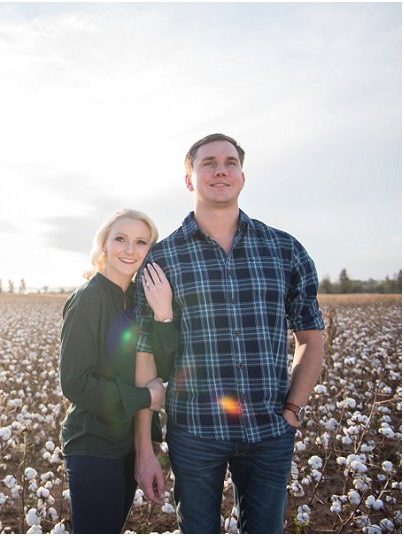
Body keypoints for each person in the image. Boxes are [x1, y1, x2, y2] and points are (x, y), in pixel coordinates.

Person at [132, 133, 325, 533]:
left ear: (242, 176)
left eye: (230, 162)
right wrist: (145, 449)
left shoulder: (285, 249)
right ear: (189, 180)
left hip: (269, 431)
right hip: (194, 432)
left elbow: (311, 337)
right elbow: (144, 354)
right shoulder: (162, 258)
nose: (220, 170)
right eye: (208, 163)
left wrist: (292, 411)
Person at [59, 209, 178, 534]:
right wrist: (144, 397)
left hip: (126, 443)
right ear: (105, 245)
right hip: (94, 442)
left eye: (141, 242)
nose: (130, 249)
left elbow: (162, 365)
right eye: (121, 239)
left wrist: (164, 312)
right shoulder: (89, 298)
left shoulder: (136, 299)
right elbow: (75, 383)